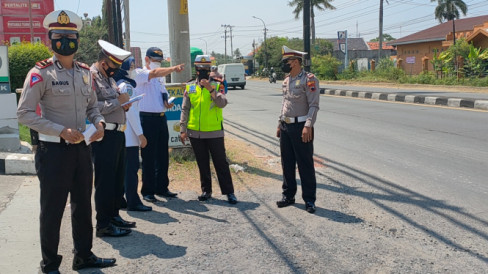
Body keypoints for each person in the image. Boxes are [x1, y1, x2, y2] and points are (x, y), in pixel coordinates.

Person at [17, 10, 116, 272]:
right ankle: (49, 264)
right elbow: (24, 113)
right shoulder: (40, 73)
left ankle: (83, 255)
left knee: (83, 205)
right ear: (50, 39)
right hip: (53, 152)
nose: (65, 41)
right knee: (53, 210)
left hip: (82, 150)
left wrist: (100, 123)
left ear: (78, 41)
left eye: (71, 36)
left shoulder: (85, 73)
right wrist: (60, 130)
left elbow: (92, 107)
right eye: (59, 36)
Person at [91, 40, 136, 237]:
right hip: (104, 135)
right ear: (103, 63)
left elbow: (112, 102)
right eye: (114, 66)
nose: (116, 71)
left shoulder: (107, 78)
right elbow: (93, 107)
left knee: (117, 179)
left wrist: (124, 104)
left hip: (117, 133)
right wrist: (118, 102)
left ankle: (114, 215)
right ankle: (103, 224)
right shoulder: (92, 77)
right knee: (105, 181)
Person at [179, 55, 237, 204]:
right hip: (195, 132)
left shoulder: (218, 84)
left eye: (206, 69)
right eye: (200, 69)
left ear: (210, 69)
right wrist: (182, 129)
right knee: (202, 163)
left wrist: (210, 89)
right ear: (196, 70)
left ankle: (229, 192)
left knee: (220, 162)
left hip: (214, 131)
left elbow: (222, 103)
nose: (203, 72)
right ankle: (206, 190)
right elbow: (185, 108)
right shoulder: (190, 86)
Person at [133, 47, 185, 203]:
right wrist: (174, 68)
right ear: (147, 60)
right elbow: (154, 73)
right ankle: (148, 190)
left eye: (160, 61)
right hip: (146, 118)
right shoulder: (140, 73)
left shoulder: (161, 78)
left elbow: (162, 93)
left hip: (161, 117)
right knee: (148, 156)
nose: (157, 64)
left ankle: (162, 187)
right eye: (155, 61)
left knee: (163, 155)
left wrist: (166, 102)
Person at [276, 46, 320, 214]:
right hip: (286, 126)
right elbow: (285, 103)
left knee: (305, 164)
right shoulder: (286, 80)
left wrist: (308, 125)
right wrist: (279, 123)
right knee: (287, 163)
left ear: (295, 62)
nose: (284, 65)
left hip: (302, 127)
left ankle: (309, 200)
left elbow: (314, 105)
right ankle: (288, 195)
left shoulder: (309, 79)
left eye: (286, 62)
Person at [113, 57, 152, 212]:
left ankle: (121, 199)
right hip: (130, 136)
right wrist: (141, 135)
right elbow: (132, 113)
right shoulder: (126, 86)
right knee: (131, 171)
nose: (134, 70)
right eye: (132, 66)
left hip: (124, 135)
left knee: (123, 170)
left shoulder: (119, 84)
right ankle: (133, 201)